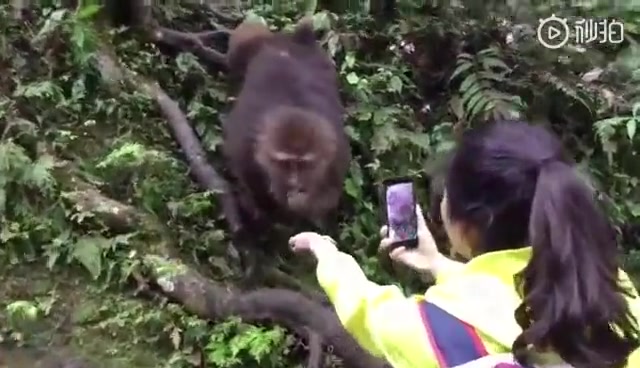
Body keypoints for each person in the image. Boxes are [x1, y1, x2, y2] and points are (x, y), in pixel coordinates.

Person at [289, 121, 640, 368]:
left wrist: (327, 254)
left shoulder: (436, 330)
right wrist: (438, 264)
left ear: (470, 226)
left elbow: (369, 311)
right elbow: (514, 293)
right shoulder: (612, 291)